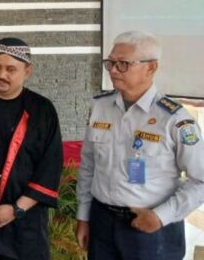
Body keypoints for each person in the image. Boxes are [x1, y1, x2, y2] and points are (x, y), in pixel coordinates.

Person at [76, 31, 204, 260]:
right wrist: (84, 216)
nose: (113, 70)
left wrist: (161, 216)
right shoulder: (100, 107)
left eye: (123, 64)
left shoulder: (174, 118)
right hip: (102, 221)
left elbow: (200, 179)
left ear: (151, 67)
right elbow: (89, 166)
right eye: (111, 63)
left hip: (151, 227)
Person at [0, 38, 63, 260]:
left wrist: (16, 209)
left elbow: (50, 166)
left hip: (25, 221)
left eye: (11, 69)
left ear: (27, 71)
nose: (2, 75)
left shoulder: (42, 110)